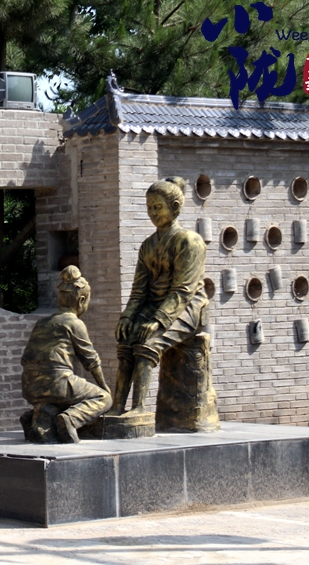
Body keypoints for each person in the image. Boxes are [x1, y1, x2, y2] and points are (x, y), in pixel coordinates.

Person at [113, 176, 208, 417]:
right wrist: (127, 317)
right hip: (154, 305)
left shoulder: (190, 241)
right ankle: (117, 407)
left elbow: (183, 290)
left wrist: (158, 320)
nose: (153, 213)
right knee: (126, 342)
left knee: (148, 344)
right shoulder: (147, 246)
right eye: (149, 208)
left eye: (158, 207)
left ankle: (139, 409)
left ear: (174, 207)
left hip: (186, 308)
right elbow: (139, 290)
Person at [20, 265, 111, 444]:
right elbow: (91, 360)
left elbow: (25, 359)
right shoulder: (74, 323)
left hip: (29, 385)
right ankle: (70, 419)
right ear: (82, 300)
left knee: (59, 399)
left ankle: (34, 416)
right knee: (103, 398)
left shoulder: (41, 323)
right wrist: (104, 387)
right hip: (57, 382)